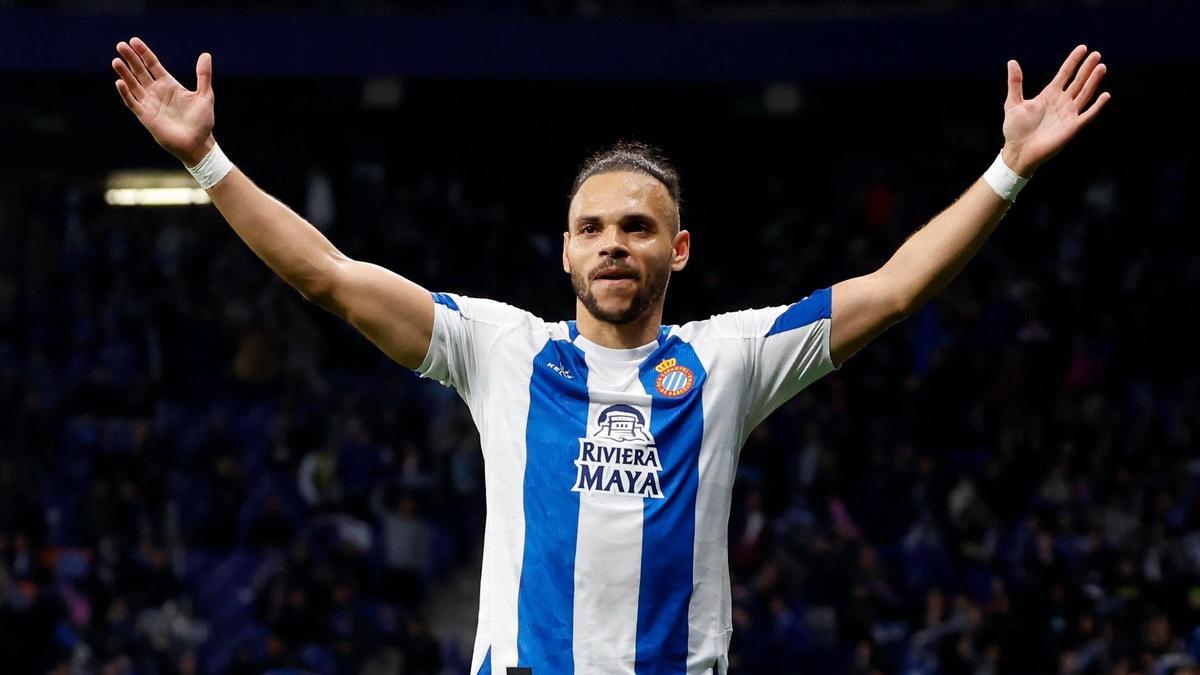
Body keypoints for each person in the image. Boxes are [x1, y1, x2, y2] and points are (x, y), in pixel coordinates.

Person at [110, 37, 1109, 674]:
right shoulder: (500, 349)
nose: (612, 245)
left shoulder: (732, 359)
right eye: (591, 229)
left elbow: (894, 291)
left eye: (636, 228)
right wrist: (206, 161)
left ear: (676, 250)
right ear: (565, 249)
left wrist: (1009, 169)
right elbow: (326, 274)